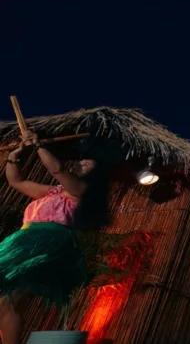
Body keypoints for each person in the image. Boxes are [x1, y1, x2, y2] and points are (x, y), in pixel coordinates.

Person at [0, 131, 109, 343]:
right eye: (82, 160)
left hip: (48, 244)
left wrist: (39, 145)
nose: (81, 163)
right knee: (6, 301)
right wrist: (15, 154)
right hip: (23, 241)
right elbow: (16, 181)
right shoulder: (53, 192)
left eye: (88, 165)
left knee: (8, 302)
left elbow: (57, 169)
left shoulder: (82, 191)